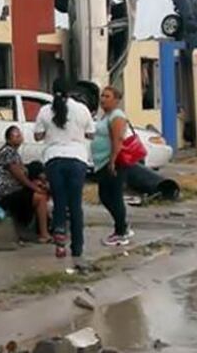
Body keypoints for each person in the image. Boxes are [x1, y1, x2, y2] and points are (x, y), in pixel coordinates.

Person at [34, 79, 95, 263]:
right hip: (77, 159)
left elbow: (37, 136)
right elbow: (91, 133)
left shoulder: (45, 110)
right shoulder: (82, 109)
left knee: (59, 202)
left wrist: (51, 133)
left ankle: (60, 243)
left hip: (54, 159)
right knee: (75, 205)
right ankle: (77, 247)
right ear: (71, 92)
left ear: (52, 91)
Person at [0, 126, 50, 243]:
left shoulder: (14, 153)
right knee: (40, 197)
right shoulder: (8, 152)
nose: (20, 137)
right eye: (16, 136)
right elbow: (19, 176)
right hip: (6, 192)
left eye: (20, 135)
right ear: (8, 139)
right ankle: (44, 234)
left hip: (13, 190)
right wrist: (35, 188)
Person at [93, 86, 133, 246]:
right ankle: (122, 224)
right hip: (101, 162)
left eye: (107, 96)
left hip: (112, 162)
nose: (103, 99)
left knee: (113, 197)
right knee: (105, 196)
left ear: (116, 99)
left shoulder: (117, 116)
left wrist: (112, 161)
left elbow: (118, 140)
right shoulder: (105, 116)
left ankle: (120, 232)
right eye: (102, 96)